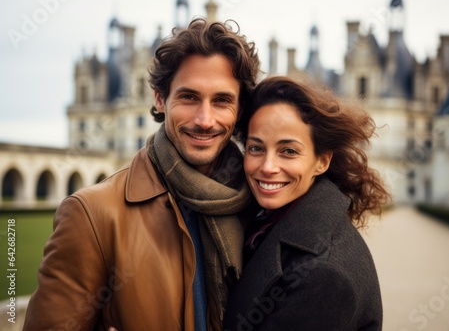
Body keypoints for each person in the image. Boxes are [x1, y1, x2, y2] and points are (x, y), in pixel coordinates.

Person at [23, 18, 260, 331]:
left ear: (240, 110)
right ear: (159, 99)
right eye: (188, 97)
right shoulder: (92, 215)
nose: (205, 120)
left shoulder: (260, 203)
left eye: (221, 101)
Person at [223, 76, 391, 330]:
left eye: (288, 151)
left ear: (322, 161)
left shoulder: (322, 275)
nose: (267, 167)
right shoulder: (269, 220)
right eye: (256, 148)